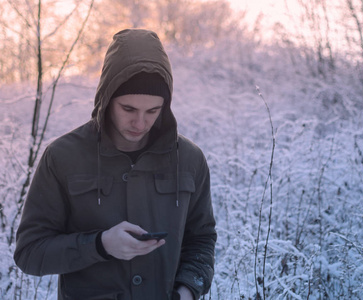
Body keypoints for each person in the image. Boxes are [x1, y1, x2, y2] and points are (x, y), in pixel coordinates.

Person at [14, 29, 217, 300]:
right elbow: (30, 253)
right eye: (129, 109)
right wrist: (99, 245)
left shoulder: (189, 160)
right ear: (107, 98)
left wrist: (187, 291)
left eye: (153, 111)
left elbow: (201, 240)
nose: (140, 123)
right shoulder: (62, 157)